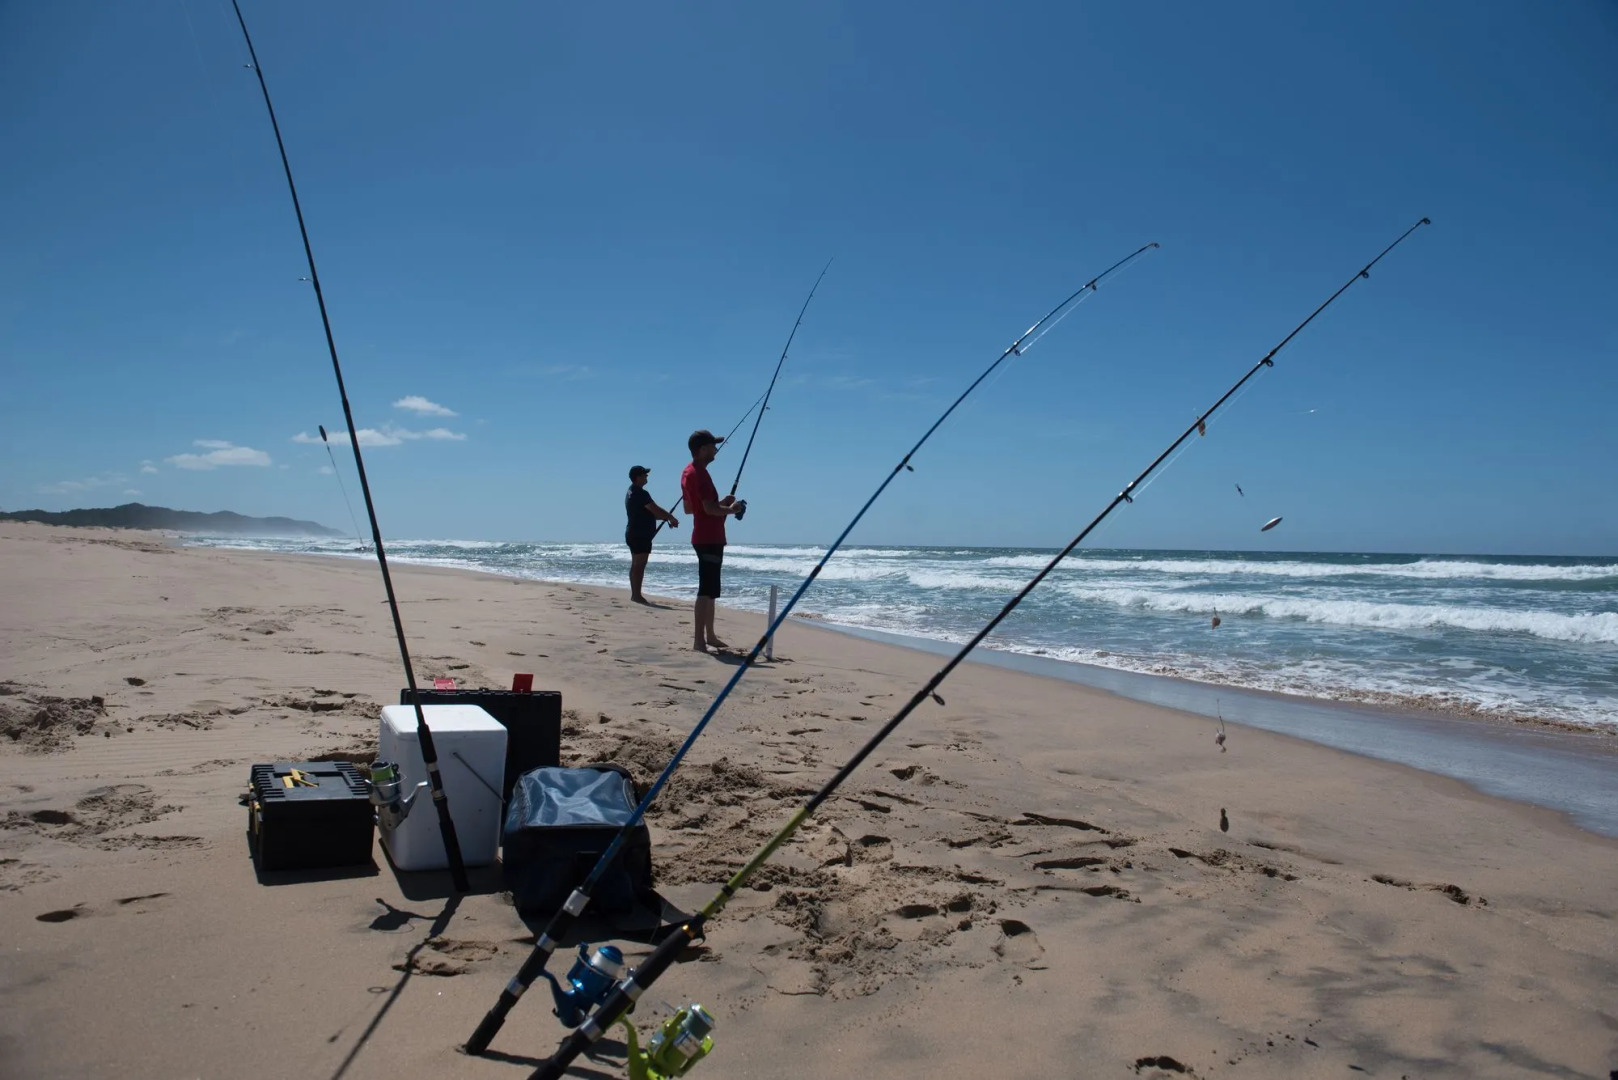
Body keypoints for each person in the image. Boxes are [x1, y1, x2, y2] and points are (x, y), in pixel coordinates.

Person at [680, 429, 745, 652]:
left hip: (706, 536)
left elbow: (690, 509)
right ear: (702, 450)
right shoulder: (699, 474)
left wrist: (722, 504)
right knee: (705, 590)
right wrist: (731, 509)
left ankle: (710, 636)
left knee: (711, 590)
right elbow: (708, 508)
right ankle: (699, 641)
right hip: (708, 538)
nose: (716, 449)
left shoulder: (688, 472)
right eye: (712, 446)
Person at [624, 465, 678, 604]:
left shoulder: (631, 491)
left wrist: (666, 518)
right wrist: (670, 517)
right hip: (640, 534)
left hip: (634, 532)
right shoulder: (641, 493)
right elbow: (655, 509)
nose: (647, 477)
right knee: (639, 565)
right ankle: (636, 595)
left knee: (636, 564)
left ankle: (635, 594)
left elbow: (649, 514)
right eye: (644, 474)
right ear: (637, 477)